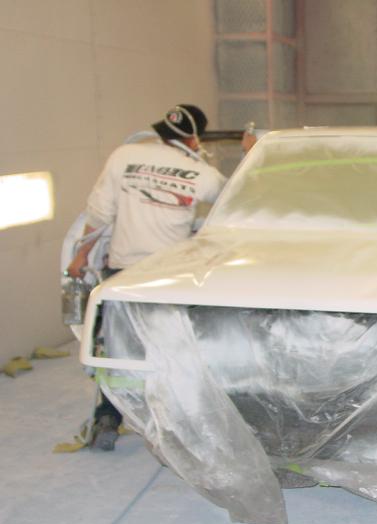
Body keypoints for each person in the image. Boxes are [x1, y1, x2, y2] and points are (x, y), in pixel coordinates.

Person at [67, 104, 256, 450]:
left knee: (116, 348)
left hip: (123, 274)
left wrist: (80, 255)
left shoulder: (125, 156)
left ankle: (107, 418)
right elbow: (240, 202)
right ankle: (181, 426)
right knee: (173, 351)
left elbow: (99, 213)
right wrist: (250, 155)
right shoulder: (203, 174)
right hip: (170, 279)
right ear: (194, 139)